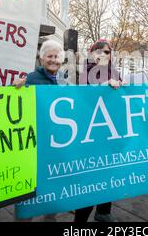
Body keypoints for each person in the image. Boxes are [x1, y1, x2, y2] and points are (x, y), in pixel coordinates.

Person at [13, 39, 68, 222]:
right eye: (49, 56)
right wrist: (14, 89)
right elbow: (11, 106)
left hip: (57, 145)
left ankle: (50, 218)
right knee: (27, 194)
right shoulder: (29, 79)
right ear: (41, 58)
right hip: (34, 146)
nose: (53, 59)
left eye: (56, 56)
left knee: (54, 188)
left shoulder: (65, 81)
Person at [75, 39, 123, 223]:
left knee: (109, 174)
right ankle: (80, 220)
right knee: (90, 179)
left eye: (107, 52)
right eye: (100, 51)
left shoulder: (115, 72)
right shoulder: (82, 72)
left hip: (111, 134)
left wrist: (123, 87)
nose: (104, 54)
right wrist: (104, 86)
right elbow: (82, 97)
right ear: (92, 53)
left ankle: (103, 212)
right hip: (89, 135)